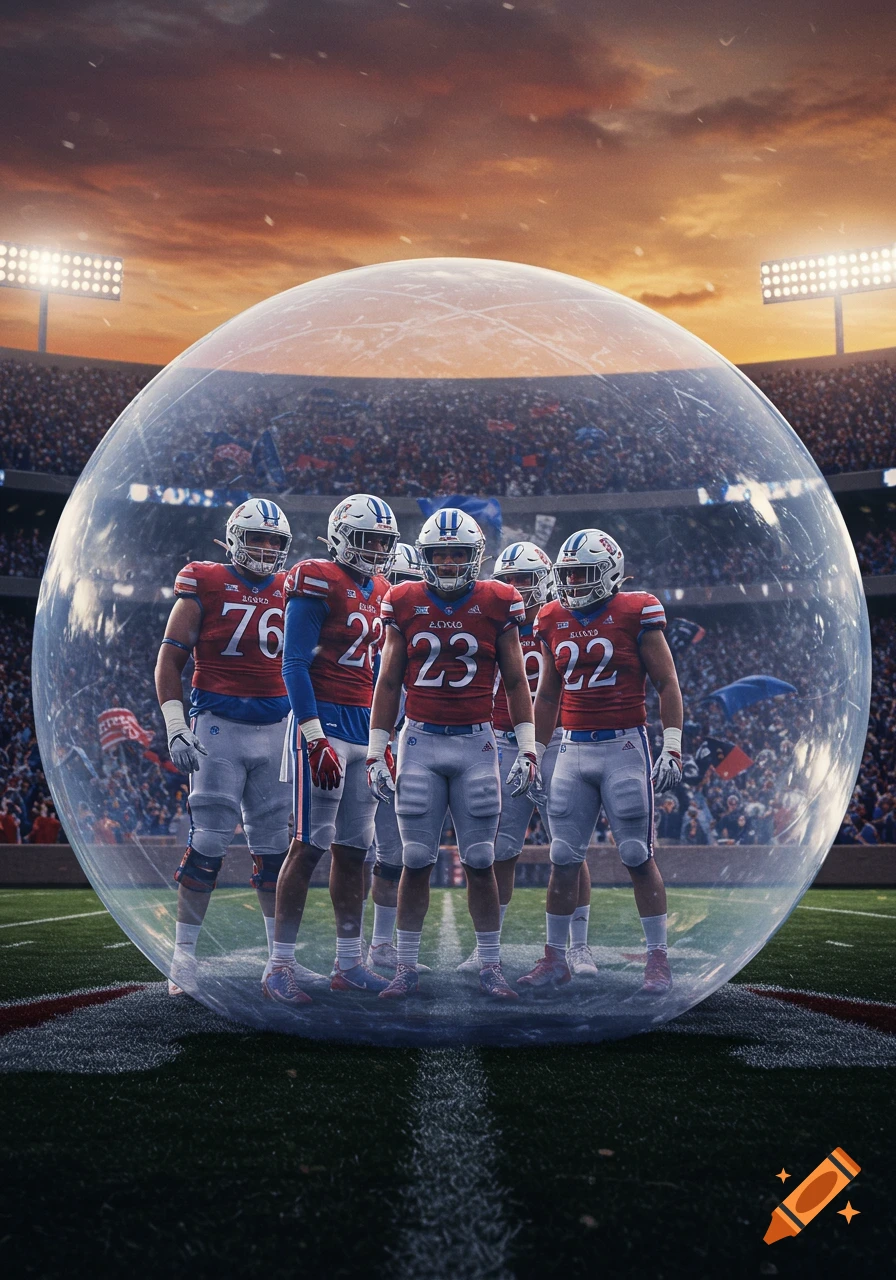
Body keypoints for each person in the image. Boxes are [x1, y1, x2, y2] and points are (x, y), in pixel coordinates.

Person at [366, 508, 541, 1001]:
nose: (446, 562)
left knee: (481, 858)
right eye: (438, 553)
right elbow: (388, 679)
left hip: (476, 741)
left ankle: (489, 964)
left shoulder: (499, 601)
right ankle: (403, 966)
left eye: (457, 553)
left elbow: (514, 680)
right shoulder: (402, 599)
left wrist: (527, 748)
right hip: (419, 739)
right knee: (415, 858)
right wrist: (377, 751)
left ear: (475, 557)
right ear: (423, 556)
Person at [521, 528, 683, 995]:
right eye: (566, 573)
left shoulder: (636, 610)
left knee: (636, 853)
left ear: (610, 572)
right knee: (562, 855)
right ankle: (555, 958)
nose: (572, 582)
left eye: (582, 573)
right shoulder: (551, 616)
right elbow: (548, 693)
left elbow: (667, 683)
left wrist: (671, 744)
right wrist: (533, 751)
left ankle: (657, 960)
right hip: (572, 747)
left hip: (623, 746)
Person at [156, 498, 298, 997]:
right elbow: (170, 660)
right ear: (234, 538)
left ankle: (279, 962)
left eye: (273, 541)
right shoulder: (205, 582)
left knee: (274, 850)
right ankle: (184, 959)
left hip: (277, 729)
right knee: (209, 842)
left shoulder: (293, 587)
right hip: (217, 727)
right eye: (256, 538)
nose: (264, 549)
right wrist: (176, 725)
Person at [263, 494, 399, 1005]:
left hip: (362, 726)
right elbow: (293, 663)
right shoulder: (315, 576)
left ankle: (349, 964)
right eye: (369, 540)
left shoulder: (384, 587)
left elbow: (379, 674)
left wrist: (381, 740)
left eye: (384, 541)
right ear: (341, 536)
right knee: (309, 844)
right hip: (321, 722)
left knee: (355, 850)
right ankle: (279, 966)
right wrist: (314, 735)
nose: (377, 550)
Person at [455, 540, 597, 979]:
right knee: (501, 849)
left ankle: (578, 947)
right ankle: (488, 949)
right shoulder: (491, 618)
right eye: (510, 579)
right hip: (502, 739)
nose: (517, 587)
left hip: (555, 743)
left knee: (568, 848)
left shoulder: (560, 617)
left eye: (525, 579)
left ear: (547, 580)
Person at [365, 542, 430, 974]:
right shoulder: (365, 627)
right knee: (350, 850)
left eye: (410, 583)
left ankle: (381, 945)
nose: (402, 592)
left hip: (402, 745)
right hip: (360, 740)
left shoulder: (426, 624)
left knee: (395, 855)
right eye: (397, 582)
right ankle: (349, 950)